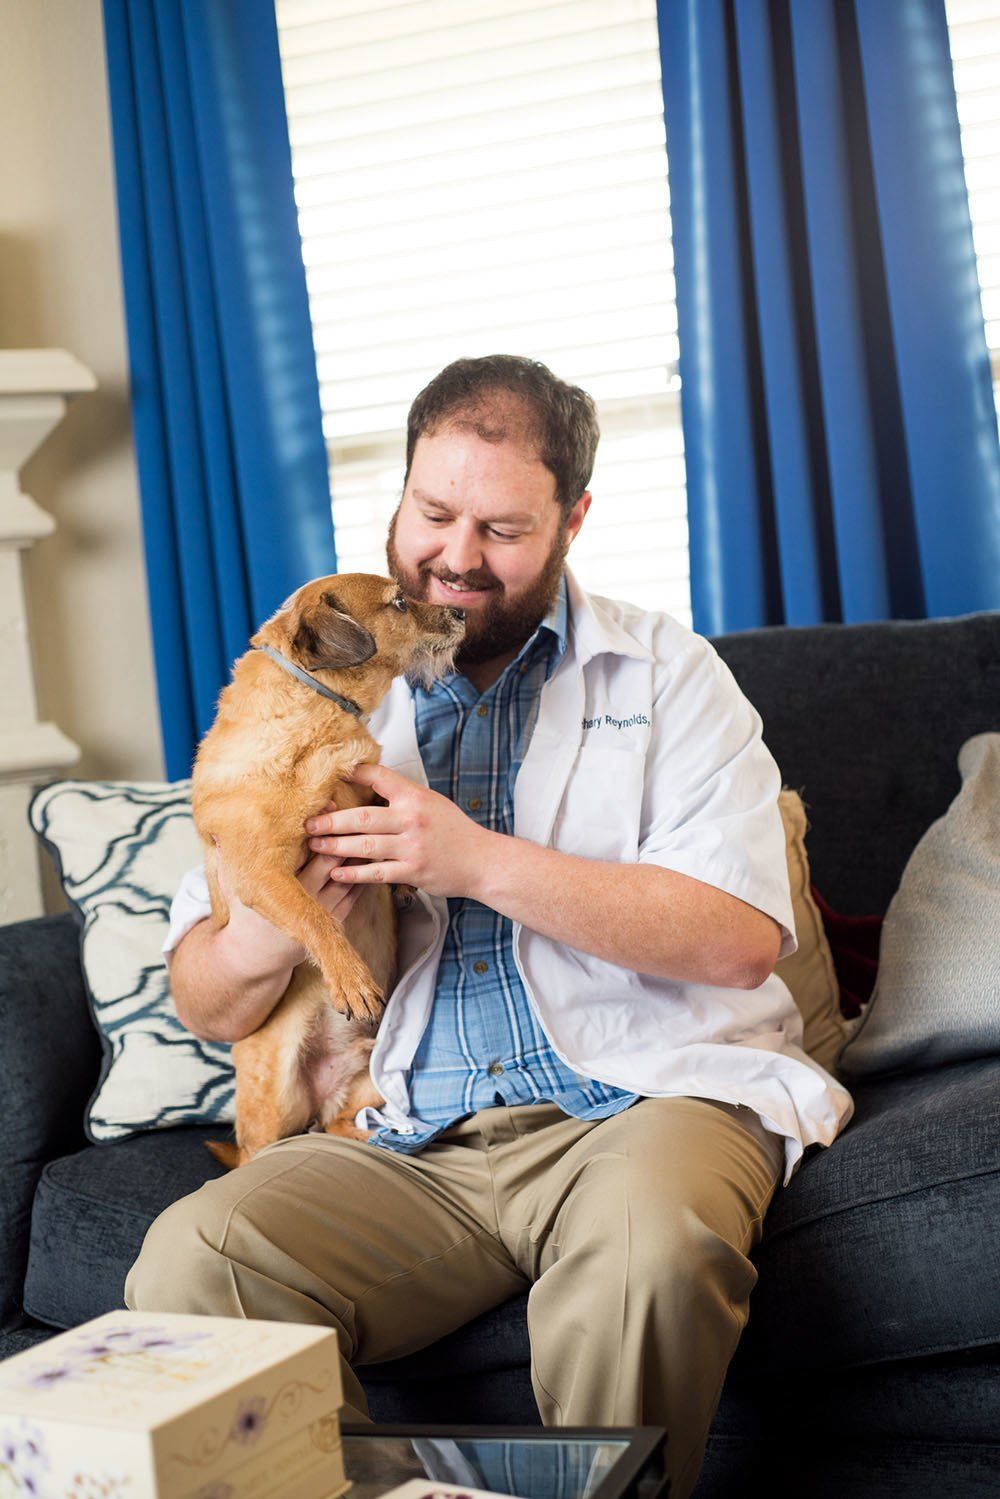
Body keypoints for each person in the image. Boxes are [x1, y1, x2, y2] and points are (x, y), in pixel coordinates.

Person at [126, 354, 853, 1499]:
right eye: (432, 512)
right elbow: (204, 997)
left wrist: (475, 861)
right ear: (399, 491)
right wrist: (285, 921)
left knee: (646, 1256)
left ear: (573, 518)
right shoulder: (321, 682)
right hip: (408, 1136)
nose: (456, 558)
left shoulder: (669, 674)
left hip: (639, 1101)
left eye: (503, 527)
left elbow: (738, 938)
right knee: (192, 1263)